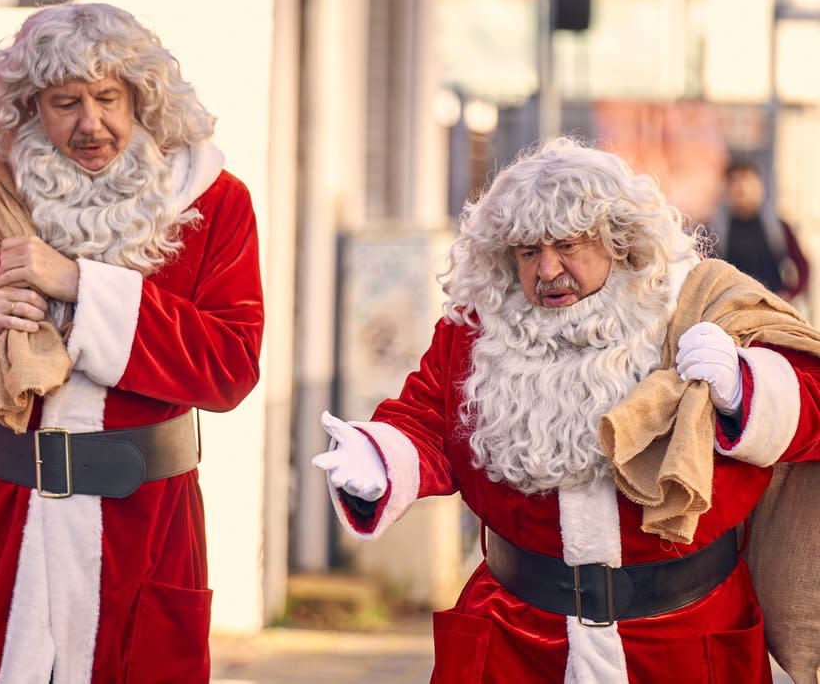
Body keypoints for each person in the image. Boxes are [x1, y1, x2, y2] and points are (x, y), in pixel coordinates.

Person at [312, 137, 820, 683]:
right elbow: (427, 418)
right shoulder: (477, 329)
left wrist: (744, 391)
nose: (547, 271)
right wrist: (382, 459)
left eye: (567, 246)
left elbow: (811, 402)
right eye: (528, 252)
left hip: (683, 640)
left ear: (619, 241)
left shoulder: (699, 304)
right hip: (518, 641)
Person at [0, 2, 264, 683]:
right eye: (65, 102)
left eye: (108, 97)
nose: (91, 124)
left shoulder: (216, 203)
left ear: (141, 95)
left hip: (147, 530)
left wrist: (80, 288)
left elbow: (229, 366)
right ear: (28, 110)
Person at [708, 159, 810, 302]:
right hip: (732, 307)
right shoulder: (714, 231)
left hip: (774, 304)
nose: (741, 188)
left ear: (760, 187)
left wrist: (790, 294)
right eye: (734, 182)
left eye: (747, 181)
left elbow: (802, 264)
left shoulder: (777, 227)